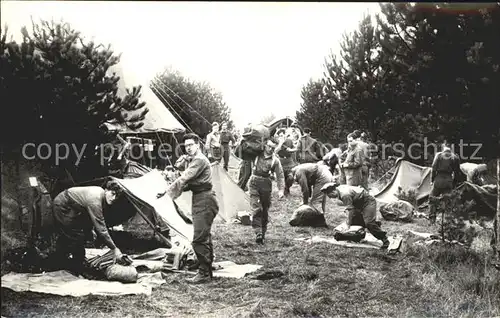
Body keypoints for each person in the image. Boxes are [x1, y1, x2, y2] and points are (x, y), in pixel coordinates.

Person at [158, 133, 219, 283]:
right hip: (201, 197)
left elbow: (185, 178)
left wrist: (166, 192)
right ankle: (206, 265)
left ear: (198, 145)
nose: (188, 148)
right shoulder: (193, 159)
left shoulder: (199, 160)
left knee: (198, 238)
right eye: (186, 146)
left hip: (205, 199)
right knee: (204, 235)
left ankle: (204, 272)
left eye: (191, 145)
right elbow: (188, 183)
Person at [52, 181, 124, 274]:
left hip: (74, 207)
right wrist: (114, 248)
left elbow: (89, 216)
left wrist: (90, 229)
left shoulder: (101, 195)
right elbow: (101, 227)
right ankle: (75, 267)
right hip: (63, 205)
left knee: (77, 234)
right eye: (112, 194)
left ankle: (64, 260)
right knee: (76, 235)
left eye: (116, 196)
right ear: (106, 190)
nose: (114, 198)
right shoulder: (95, 199)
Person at [321, 182, 390, 249]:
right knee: (355, 222)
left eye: (330, 196)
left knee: (369, 223)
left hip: (367, 201)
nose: (331, 198)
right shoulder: (339, 189)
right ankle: (366, 231)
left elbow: (351, 211)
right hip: (357, 203)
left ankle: (384, 239)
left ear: (333, 191)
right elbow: (350, 206)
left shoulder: (344, 194)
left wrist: (348, 223)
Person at [248, 138, 285, 244]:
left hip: (266, 184)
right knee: (256, 207)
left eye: (273, 147)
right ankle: (258, 232)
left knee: (265, 209)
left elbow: (280, 175)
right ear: (265, 145)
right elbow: (240, 152)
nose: (270, 149)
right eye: (269, 146)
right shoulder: (256, 155)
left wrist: (281, 190)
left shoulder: (275, 160)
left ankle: (262, 233)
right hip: (254, 181)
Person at [429, 142, 462, 223]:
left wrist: (432, 180)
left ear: (443, 148)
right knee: (447, 201)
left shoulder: (439, 155)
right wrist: (454, 183)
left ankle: (432, 220)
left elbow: (433, 168)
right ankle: (446, 222)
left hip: (439, 179)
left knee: (432, 198)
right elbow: (457, 172)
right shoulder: (455, 157)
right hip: (448, 179)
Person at [275, 128, 298, 196]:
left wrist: (292, 149)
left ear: (285, 135)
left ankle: (287, 187)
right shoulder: (277, 142)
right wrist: (280, 143)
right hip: (281, 161)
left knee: (291, 178)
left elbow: (295, 147)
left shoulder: (289, 141)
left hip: (289, 161)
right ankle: (285, 190)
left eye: (282, 135)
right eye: (280, 136)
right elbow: (276, 151)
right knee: (282, 177)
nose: (281, 137)